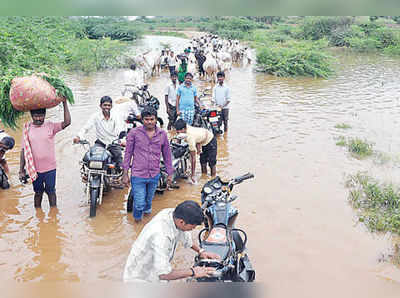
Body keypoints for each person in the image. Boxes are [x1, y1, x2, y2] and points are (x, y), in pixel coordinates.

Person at [123, 200, 219, 282]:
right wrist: (193, 271)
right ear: (182, 222)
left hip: (155, 268)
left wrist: (201, 251)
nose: (193, 229)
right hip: (140, 277)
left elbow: (185, 236)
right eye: (193, 227)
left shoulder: (173, 214)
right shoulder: (161, 236)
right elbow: (163, 274)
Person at [122, 106, 173, 222]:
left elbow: (167, 155)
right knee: (139, 203)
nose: (149, 122)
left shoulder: (162, 134)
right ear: (142, 120)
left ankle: (147, 223)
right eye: (146, 119)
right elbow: (128, 154)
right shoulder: (134, 133)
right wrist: (125, 173)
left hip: (154, 174)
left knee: (148, 202)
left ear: (156, 119)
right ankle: (137, 224)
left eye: (152, 119)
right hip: (138, 174)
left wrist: (170, 173)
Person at [19, 99, 71, 208]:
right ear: (31, 116)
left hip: (50, 169)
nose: (38, 118)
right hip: (35, 170)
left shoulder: (50, 126)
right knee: (38, 193)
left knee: (51, 192)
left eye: (41, 115)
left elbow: (67, 122)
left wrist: (65, 103)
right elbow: (24, 150)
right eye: (36, 116)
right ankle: (39, 215)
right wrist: (21, 170)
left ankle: (53, 216)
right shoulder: (27, 128)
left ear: (45, 115)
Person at [73, 96, 133, 172]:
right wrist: (79, 136)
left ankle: (120, 177)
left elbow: (120, 129)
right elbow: (86, 127)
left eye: (109, 105)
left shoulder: (116, 116)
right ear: (100, 106)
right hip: (100, 143)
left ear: (111, 106)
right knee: (88, 158)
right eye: (105, 105)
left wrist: (122, 140)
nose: (106, 107)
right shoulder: (95, 116)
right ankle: (86, 175)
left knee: (120, 163)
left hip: (113, 143)